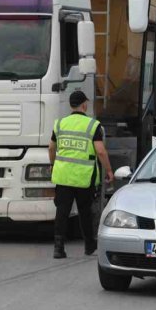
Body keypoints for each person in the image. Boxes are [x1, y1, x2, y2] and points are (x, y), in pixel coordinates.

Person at [49, 90, 114, 259]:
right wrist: (108, 170)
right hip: (84, 177)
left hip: (63, 176)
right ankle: (89, 245)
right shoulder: (93, 125)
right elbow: (100, 151)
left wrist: (53, 164)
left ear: (71, 105)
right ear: (84, 105)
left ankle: (58, 248)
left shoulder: (60, 124)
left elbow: (51, 148)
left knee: (62, 211)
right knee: (85, 211)